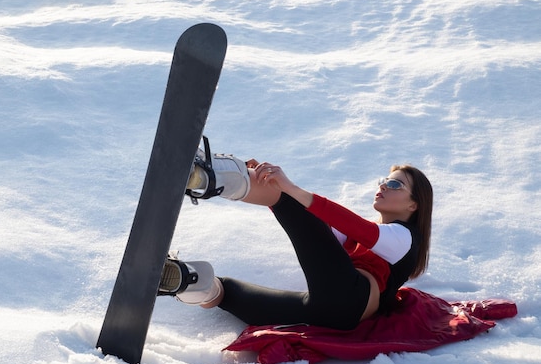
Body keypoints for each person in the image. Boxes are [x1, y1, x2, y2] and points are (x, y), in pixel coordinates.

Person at [158, 141, 433, 330]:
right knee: (228, 292)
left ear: (413, 204)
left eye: (395, 184)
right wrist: (263, 185)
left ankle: (210, 178)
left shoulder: (404, 238)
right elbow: (313, 229)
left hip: (350, 298)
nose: (384, 186)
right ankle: (187, 282)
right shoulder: (367, 237)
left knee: (289, 199)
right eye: (383, 181)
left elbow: (351, 224)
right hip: (329, 312)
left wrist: (286, 189)